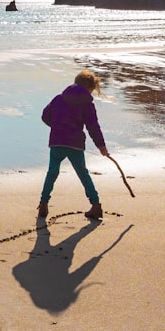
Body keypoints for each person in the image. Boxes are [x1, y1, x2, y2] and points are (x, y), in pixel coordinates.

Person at [38, 69, 109, 220]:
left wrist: (56, 126)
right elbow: (93, 127)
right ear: (89, 88)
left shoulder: (59, 98)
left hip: (57, 142)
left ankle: (43, 203)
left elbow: (45, 116)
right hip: (75, 143)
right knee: (83, 174)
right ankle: (95, 205)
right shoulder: (87, 104)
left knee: (52, 173)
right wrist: (101, 146)